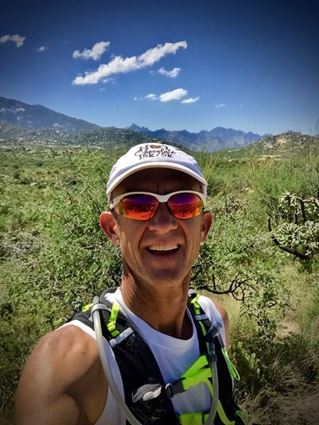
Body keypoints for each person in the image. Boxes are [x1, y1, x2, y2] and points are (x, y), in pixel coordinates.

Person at [15, 142, 244, 425]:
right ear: (113, 229)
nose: (163, 224)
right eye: (138, 205)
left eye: (184, 204)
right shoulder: (68, 367)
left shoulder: (214, 321)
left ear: (204, 227)